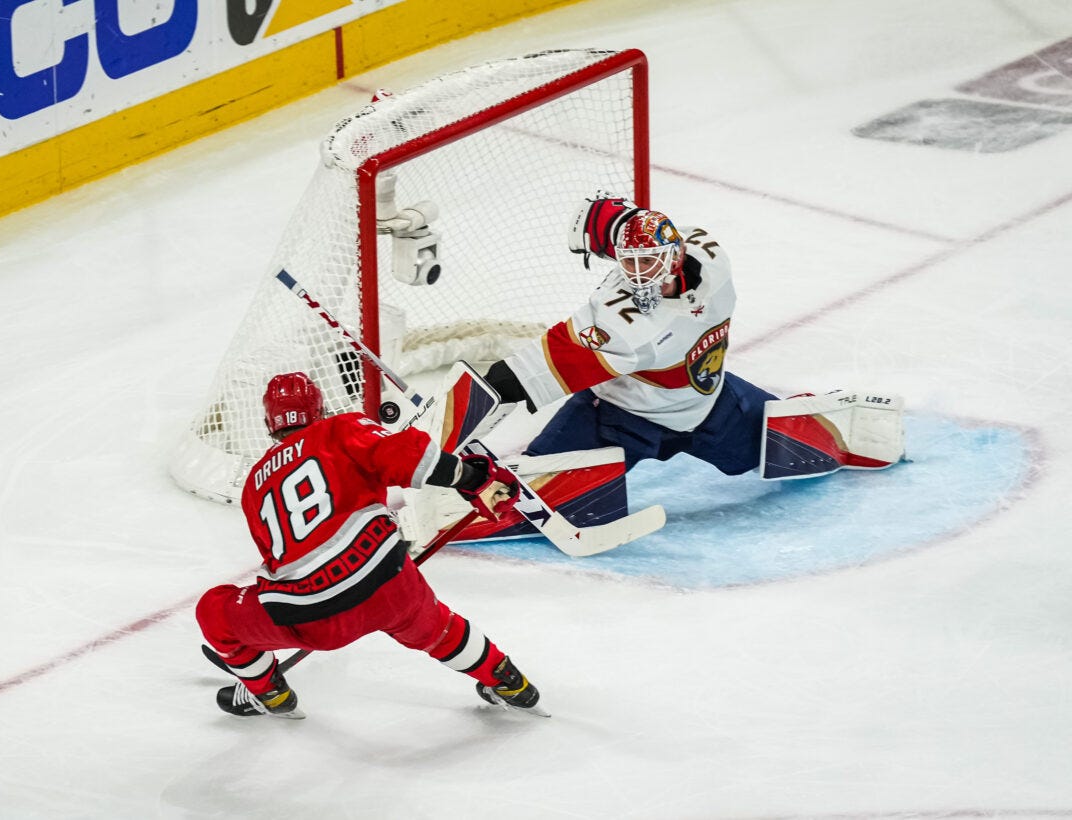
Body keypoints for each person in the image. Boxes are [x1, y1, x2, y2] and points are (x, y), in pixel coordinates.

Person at [195, 371, 544, 719]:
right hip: (390, 583)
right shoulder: (338, 429)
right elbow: (406, 455)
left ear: (269, 423)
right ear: (320, 411)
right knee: (438, 628)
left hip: (312, 614)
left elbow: (277, 559)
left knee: (214, 611)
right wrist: (472, 478)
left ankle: (268, 693)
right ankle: (508, 681)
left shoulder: (253, 485)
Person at [481, 195, 778, 476]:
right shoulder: (613, 319)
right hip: (621, 418)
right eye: (628, 262)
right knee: (535, 494)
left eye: (647, 261)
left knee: (791, 446)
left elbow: (665, 232)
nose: (637, 275)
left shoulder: (713, 260)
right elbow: (523, 374)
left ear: (675, 256)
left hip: (708, 408)